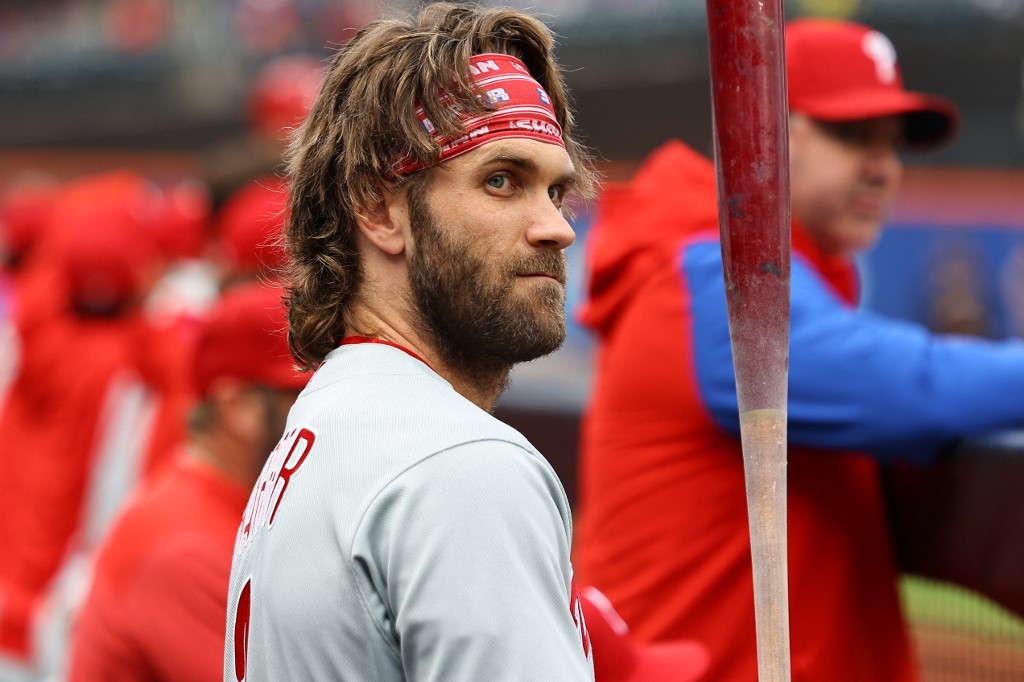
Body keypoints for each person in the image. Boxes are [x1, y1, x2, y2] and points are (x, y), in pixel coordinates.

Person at [573, 17, 1024, 682]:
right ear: (758, 130)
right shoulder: (706, 273)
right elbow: (910, 385)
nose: (883, 167)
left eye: (893, 144)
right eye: (851, 134)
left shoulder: (769, 272)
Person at [224, 3, 600, 681]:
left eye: (557, 191)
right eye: (501, 180)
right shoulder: (456, 463)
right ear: (377, 208)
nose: (556, 228)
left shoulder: (324, 425)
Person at [66, 283, 306, 682]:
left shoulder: (225, 504)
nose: (324, 415)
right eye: (302, 397)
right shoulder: (186, 547)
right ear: (236, 408)